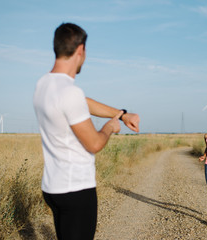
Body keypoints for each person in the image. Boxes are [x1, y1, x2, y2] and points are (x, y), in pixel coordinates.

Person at [33, 23, 140, 240]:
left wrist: (121, 114)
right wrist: (110, 126)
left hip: (53, 187)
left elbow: (82, 102)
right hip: (76, 189)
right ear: (80, 50)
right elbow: (94, 144)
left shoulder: (44, 84)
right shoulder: (70, 92)